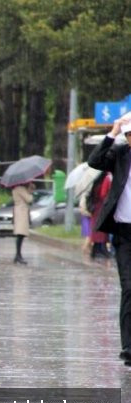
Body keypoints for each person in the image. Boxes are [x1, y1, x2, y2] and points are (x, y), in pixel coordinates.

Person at [88, 118, 131, 365]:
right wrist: (112, 133)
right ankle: (128, 347)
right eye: (129, 135)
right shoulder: (120, 154)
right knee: (129, 288)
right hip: (125, 234)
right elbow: (94, 161)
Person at [87, 172, 112, 259]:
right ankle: (99, 249)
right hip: (100, 208)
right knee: (101, 231)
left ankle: (97, 249)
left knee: (98, 230)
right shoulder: (107, 178)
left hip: (97, 207)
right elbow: (103, 194)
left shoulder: (98, 180)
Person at [12, 182, 35, 264]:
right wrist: (30, 191)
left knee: (20, 235)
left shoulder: (16, 189)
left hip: (20, 211)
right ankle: (18, 255)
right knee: (20, 234)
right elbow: (29, 199)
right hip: (21, 212)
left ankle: (18, 255)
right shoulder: (20, 189)